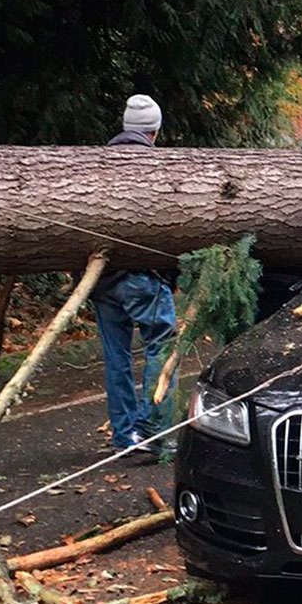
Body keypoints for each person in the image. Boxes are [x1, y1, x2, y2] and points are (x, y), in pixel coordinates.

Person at [95, 94, 178, 456]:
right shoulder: (158, 170)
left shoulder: (97, 165)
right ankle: (154, 431)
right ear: (154, 131)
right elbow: (172, 227)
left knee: (117, 357)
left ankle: (124, 435)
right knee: (161, 347)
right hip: (144, 277)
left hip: (102, 278)